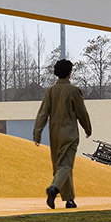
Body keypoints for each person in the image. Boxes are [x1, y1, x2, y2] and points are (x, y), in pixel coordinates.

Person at [33, 59, 92, 209]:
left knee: (59, 167)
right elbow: (81, 112)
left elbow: (42, 113)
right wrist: (87, 128)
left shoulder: (50, 91)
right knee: (66, 165)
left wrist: (37, 133)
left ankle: (69, 200)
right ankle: (53, 189)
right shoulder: (74, 91)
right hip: (69, 133)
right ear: (69, 73)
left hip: (54, 134)